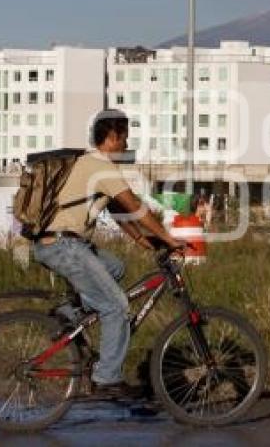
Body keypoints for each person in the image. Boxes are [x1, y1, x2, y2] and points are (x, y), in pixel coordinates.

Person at [32, 109, 185, 399]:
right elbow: (134, 206)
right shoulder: (101, 167)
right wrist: (168, 238)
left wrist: (143, 240)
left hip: (62, 244)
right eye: (125, 138)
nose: (126, 145)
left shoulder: (90, 164)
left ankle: (70, 316)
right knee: (116, 306)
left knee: (114, 268)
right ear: (113, 136)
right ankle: (105, 378)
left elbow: (117, 210)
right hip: (64, 246)